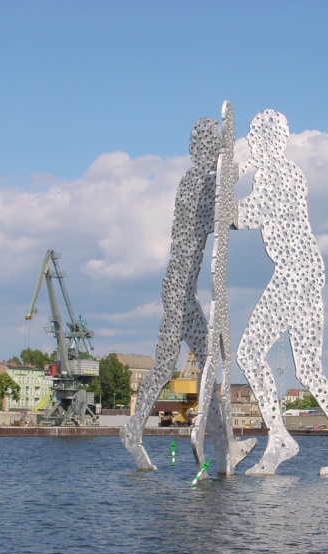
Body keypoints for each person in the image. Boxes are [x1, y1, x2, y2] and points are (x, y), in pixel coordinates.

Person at [234, 109, 328, 476]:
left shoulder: (278, 173)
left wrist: (222, 200)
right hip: (304, 272)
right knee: (309, 371)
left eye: (253, 136)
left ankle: (280, 437)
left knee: (248, 353)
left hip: (295, 273)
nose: (249, 142)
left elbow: (250, 214)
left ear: (269, 141)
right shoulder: (285, 171)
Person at [120, 118, 220, 471]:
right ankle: (133, 430)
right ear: (201, 149)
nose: (214, 153)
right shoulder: (198, 183)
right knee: (179, 365)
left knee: (201, 362)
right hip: (179, 288)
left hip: (181, 286)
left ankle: (223, 444)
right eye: (213, 147)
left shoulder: (192, 181)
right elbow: (219, 223)